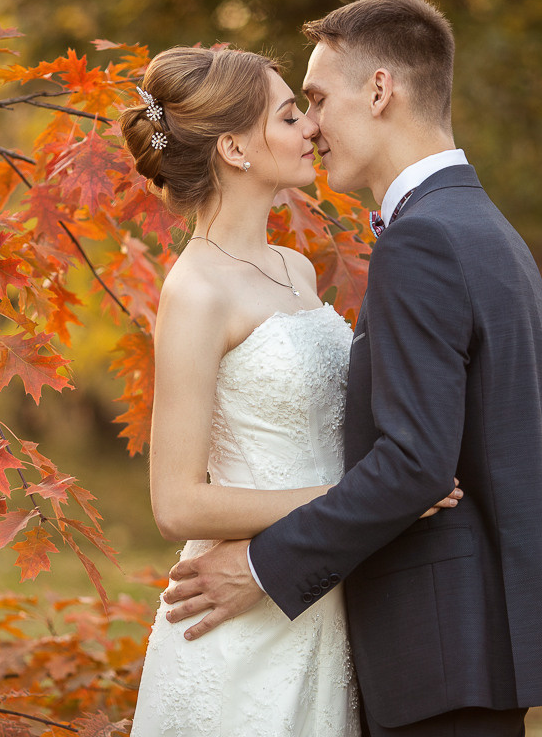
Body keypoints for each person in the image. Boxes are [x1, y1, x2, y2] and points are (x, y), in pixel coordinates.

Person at [160, 0, 542, 736]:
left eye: (312, 101)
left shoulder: (422, 242)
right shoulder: (486, 228)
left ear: (379, 91)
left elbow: (416, 469)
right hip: (453, 640)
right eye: (294, 112)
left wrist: (259, 566)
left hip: (436, 647)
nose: (311, 127)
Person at [120, 46, 461, 737]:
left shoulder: (295, 268)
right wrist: (370, 501)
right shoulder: (195, 292)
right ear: (236, 149)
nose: (312, 126)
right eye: (288, 115)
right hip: (242, 629)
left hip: (319, 595)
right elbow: (176, 503)